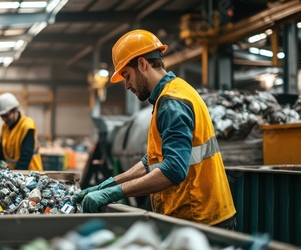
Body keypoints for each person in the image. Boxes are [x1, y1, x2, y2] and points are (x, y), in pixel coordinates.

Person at [72, 29, 236, 230]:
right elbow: (153, 160)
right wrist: (106, 185)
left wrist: (114, 193)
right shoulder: (173, 93)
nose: (127, 85)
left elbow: (173, 169)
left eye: (127, 75)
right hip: (200, 218)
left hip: (200, 221)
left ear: (142, 64)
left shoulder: (172, 103)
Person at [0, 92, 43, 171]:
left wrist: (15, 176)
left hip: (31, 175)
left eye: (6, 116)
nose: (4, 119)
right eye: (2, 116)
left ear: (15, 111)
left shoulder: (27, 125)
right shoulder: (5, 127)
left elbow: (25, 157)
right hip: (15, 175)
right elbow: (0, 153)